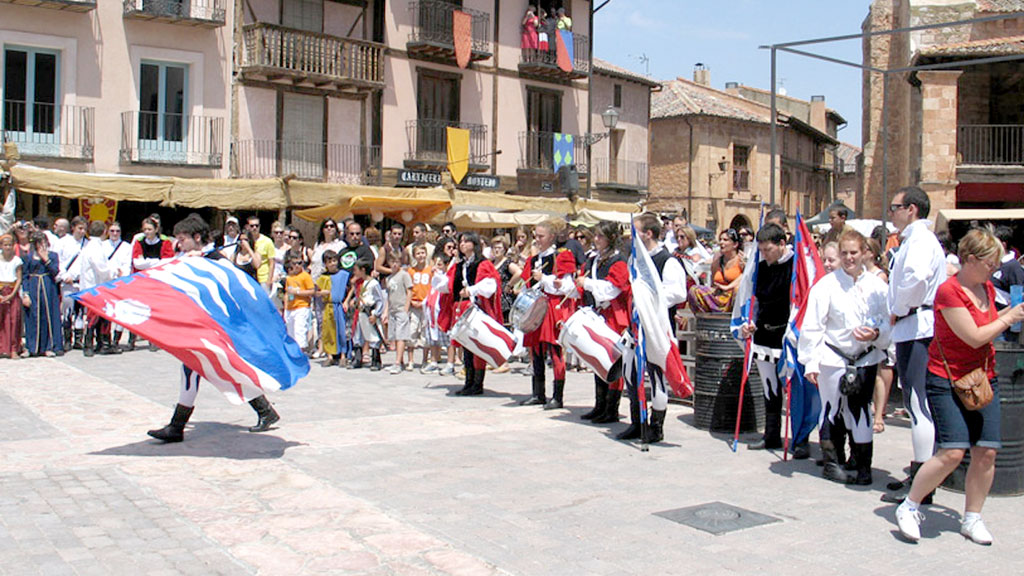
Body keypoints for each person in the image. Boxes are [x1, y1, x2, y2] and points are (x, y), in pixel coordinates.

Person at [895, 227, 1024, 545]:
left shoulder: (987, 290)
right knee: (952, 452)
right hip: (947, 379)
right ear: (970, 259)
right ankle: (910, 505)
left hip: (982, 378)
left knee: (987, 452)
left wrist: (1009, 313)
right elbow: (975, 336)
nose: (994, 267)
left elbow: (986, 327)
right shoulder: (949, 292)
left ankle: (972, 517)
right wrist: (1011, 317)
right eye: (989, 261)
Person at [147, 213, 280, 443]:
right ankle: (264, 410)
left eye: (183, 238)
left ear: (196, 237)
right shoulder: (193, 256)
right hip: (200, 324)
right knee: (205, 368)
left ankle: (177, 426)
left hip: (217, 326)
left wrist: (203, 261)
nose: (179, 244)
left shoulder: (217, 259)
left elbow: (233, 286)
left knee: (207, 368)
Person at [800, 230, 891, 485]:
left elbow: (888, 322)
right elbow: (813, 326)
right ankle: (832, 462)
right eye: (844, 253)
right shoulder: (826, 286)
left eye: (854, 253)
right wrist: (811, 360)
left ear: (864, 253)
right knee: (831, 409)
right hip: (833, 357)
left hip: (865, 358)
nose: (849, 258)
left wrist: (876, 333)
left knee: (861, 410)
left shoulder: (877, 287)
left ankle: (863, 465)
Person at [885, 186, 947, 502]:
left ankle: (924, 482)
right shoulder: (915, 240)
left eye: (894, 207)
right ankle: (920, 472)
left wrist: (897, 309)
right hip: (913, 326)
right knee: (914, 403)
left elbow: (917, 279)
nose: (891, 212)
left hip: (917, 326)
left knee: (918, 404)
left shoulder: (920, 241)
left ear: (911, 209)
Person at [620, 213, 687, 443]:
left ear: (648, 234)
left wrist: (648, 299)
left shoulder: (668, 260)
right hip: (635, 327)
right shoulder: (635, 259)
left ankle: (656, 427)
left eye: (635, 232)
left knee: (657, 377)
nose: (631, 238)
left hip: (657, 329)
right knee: (631, 374)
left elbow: (678, 292)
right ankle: (637, 422)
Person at [742, 223, 803, 455]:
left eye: (768, 249)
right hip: (764, 333)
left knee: (793, 388)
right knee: (770, 387)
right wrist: (750, 323)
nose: (764, 254)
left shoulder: (796, 267)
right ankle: (771, 435)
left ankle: (799, 439)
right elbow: (755, 300)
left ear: (781, 244)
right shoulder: (761, 268)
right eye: (761, 250)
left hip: (787, 334)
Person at [576, 222, 630, 424]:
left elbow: (613, 289)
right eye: (595, 236)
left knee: (612, 361)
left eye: (600, 236)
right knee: (598, 360)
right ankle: (599, 405)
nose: (596, 239)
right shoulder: (594, 259)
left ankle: (611, 408)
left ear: (610, 238)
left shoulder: (618, 260)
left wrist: (588, 283)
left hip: (613, 316)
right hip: (598, 314)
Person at [519, 221, 577, 409]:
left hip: (552, 307)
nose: (537, 239)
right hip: (537, 306)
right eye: (535, 235)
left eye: (541, 236)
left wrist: (544, 279)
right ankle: (538, 393)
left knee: (555, 351)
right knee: (535, 350)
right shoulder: (534, 258)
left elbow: (566, 286)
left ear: (551, 237)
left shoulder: (561, 256)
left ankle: (557, 397)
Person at [443, 232, 502, 395]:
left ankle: (477, 384)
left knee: (477, 348)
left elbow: (491, 285)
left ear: (473, 244)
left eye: (465, 241)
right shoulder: (460, 265)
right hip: (463, 310)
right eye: (460, 242)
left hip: (477, 310)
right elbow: (449, 284)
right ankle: (469, 382)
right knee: (466, 346)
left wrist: (471, 290)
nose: (462, 244)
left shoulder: (482, 263)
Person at [74, 220, 122, 357]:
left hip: (90, 286)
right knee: (93, 316)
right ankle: (89, 344)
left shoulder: (89, 247)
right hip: (95, 287)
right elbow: (102, 268)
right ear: (104, 232)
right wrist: (114, 272)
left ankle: (101, 343)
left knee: (98, 316)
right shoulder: (95, 248)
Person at [22, 232, 63, 357]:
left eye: (44, 243)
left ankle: (48, 346)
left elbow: (55, 271)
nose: (42, 246)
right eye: (39, 243)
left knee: (48, 315)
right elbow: (24, 276)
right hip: (34, 286)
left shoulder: (53, 256)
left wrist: (46, 259)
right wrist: (26, 293)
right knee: (33, 316)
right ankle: (31, 347)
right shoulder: (28, 257)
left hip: (48, 287)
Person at [688, 228, 744, 313]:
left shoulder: (742, 260)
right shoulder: (717, 262)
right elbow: (713, 284)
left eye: (725, 240)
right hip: (718, 296)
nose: (721, 242)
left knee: (738, 289)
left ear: (735, 244)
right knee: (694, 290)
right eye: (720, 239)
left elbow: (744, 278)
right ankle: (705, 319)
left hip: (734, 298)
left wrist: (727, 287)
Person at [345, 258, 385, 371]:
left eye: (356, 270)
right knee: (358, 335)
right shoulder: (361, 283)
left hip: (369, 312)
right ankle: (357, 358)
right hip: (360, 312)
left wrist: (376, 314)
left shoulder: (373, 283)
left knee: (373, 336)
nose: (354, 272)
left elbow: (380, 300)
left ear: (363, 270)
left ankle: (376, 360)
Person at [57, 216, 88, 350]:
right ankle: (67, 339)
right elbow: (58, 261)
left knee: (80, 311)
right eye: (80, 228)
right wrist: (64, 276)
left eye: (84, 229)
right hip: (68, 282)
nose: (82, 231)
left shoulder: (88, 244)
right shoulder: (63, 242)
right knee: (67, 310)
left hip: (82, 282)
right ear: (73, 228)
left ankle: (78, 339)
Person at [991, 225, 1023, 341]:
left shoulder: (1013, 267)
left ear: (1003, 245)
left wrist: (1015, 327)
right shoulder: (996, 264)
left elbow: (1017, 297)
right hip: (994, 323)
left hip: (1005, 330)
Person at [105, 221, 133, 348]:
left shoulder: (127, 247)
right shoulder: (103, 245)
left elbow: (127, 265)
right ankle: (106, 339)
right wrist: (113, 271)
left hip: (121, 282)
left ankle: (116, 340)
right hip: (106, 281)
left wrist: (122, 277)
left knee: (120, 311)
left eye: (117, 231)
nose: (115, 233)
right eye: (112, 231)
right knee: (106, 311)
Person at [385, 250, 413, 374]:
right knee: (395, 336)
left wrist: (406, 308)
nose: (395, 264)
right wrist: (386, 311)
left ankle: (397, 363)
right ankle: (399, 360)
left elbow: (409, 291)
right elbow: (388, 295)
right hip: (392, 309)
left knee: (401, 336)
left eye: (397, 261)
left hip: (401, 309)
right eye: (392, 262)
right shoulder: (389, 278)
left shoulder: (404, 275)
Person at [408, 243, 433, 370]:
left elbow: (433, 288)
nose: (421, 256)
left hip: (426, 305)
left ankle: (424, 359)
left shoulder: (430, 270)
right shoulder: (410, 271)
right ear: (414, 256)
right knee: (412, 331)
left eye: (422, 253)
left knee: (425, 332)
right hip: (414, 304)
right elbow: (409, 288)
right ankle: (411, 360)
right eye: (418, 253)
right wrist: (411, 302)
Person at [284, 256, 316, 354]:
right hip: (290, 308)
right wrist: (285, 309)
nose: (297, 266)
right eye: (294, 263)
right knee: (291, 332)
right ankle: (293, 352)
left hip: (302, 306)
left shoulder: (305, 276)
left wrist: (297, 292)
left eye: (299, 263)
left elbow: (312, 291)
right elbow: (287, 293)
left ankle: (300, 352)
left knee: (299, 330)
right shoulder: (289, 277)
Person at [0, 234, 25, 359]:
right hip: (0, 291)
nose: (8, 247)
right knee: (1, 321)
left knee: (13, 321)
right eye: (5, 245)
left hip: (12, 291)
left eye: (10, 244)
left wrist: (11, 294)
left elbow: (19, 279)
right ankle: (2, 348)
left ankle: (13, 348)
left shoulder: (17, 261)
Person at [246, 215, 277, 292]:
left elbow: (272, 262)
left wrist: (269, 280)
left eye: (257, 225)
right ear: (248, 227)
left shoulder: (267, 241)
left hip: (263, 278)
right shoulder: (246, 241)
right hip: (249, 277)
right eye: (252, 226)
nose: (254, 228)